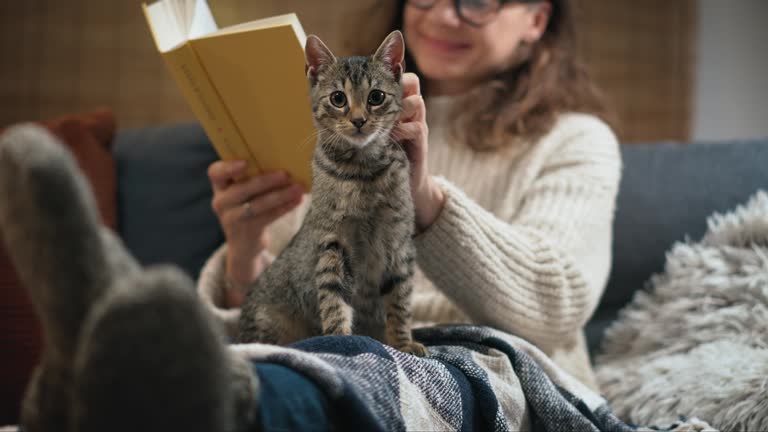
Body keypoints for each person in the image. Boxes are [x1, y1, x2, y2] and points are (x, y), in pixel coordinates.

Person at [200, 0, 621, 391]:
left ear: (536, 19)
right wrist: (244, 250)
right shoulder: (331, 125)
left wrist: (425, 199)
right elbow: (276, 321)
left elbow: (555, 306)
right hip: (331, 368)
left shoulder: (576, 140)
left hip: (494, 375)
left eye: (475, 1)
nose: (442, 15)